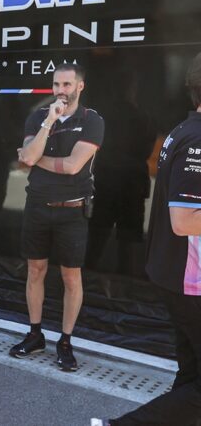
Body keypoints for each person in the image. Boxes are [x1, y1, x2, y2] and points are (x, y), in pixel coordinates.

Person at [94, 53, 201, 426]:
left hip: (178, 277)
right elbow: (185, 219)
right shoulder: (197, 140)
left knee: (192, 376)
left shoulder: (181, 131)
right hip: (191, 281)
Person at [11, 63, 105, 371]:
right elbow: (25, 157)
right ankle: (35, 334)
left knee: (70, 277)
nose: (60, 90)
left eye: (66, 84)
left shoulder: (92, 121)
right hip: (37, 207)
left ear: (80, 86)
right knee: (35, 270)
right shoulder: (39, 117)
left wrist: (36, 160)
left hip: (72, 211)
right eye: (56, 84)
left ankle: (65, 342)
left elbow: (74, 166)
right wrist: (48, 123)